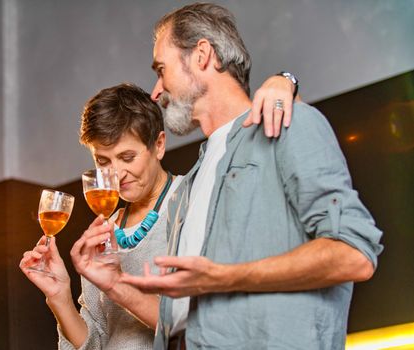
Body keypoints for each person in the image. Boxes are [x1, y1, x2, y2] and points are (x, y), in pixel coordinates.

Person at [120, 3, 384, 350]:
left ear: (202, 55)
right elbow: (182, 320)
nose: (156, 91)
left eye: (161, 69)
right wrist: (112, 283)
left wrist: (224, 277)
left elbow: (355, 253)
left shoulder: (291, 123)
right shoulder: (188, 187)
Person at [20, 78, 297, 349]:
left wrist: (284, 81)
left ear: (159, 145)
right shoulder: (103, 229)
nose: (115, 174)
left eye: (127, 158)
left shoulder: (194, 204)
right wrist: (59, 297)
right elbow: (94, 341)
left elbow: (203, 326)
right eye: (103, 161)